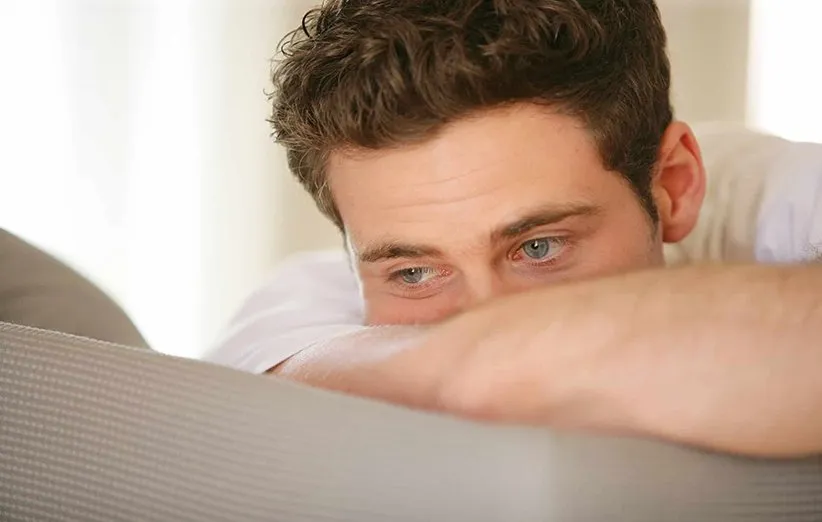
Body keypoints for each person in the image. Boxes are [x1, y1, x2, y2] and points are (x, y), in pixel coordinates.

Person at [204, 0, 822, 457]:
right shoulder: (300, 305)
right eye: (414, 273)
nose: (484, 311)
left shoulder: (772, 194)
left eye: (539, 246)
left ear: (675, 186)